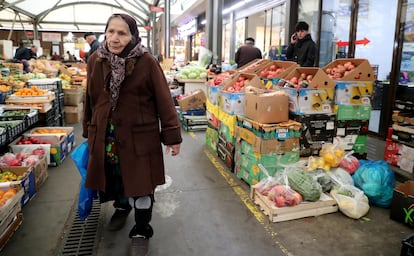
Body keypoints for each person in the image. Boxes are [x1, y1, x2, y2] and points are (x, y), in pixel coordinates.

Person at [82, 13, 182, 255]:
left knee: (140, 184)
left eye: (122, 33)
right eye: (111, 31)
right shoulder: (96, 59)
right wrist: (88, 128)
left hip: (140, 136)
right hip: (106, 134)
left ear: (133, 36)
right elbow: (91, 98)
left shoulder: (146, 62)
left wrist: (172, 136)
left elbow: (164, 100)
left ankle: (141, 229)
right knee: (115, 177)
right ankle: (122, 207)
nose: (115, 38)